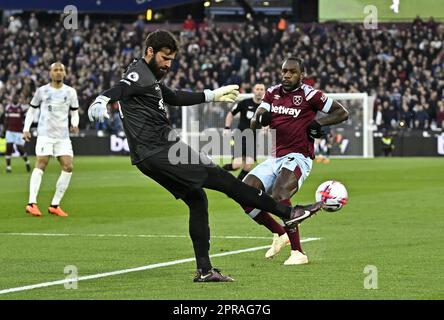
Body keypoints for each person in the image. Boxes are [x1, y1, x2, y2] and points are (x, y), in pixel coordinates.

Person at [88, 30, 323, 283]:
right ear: (149, 52)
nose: (168, 64)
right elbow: (121, 88)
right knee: (225, 181)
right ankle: (288, 214)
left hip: (151, 156)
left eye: (171, 60)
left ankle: (205, 271)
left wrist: (212, 94)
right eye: (165, 58)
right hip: (161, 150)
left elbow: (174, 96)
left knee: (198, 200)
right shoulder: (138, 74)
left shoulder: (150, 78)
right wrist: (101, 99)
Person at [245, 57, 349, 265]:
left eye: (292, 72)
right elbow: (255, 121)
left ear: (302, 75)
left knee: (280, 194)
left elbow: (341, 112)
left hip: (299, 157)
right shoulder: (272, 93)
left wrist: (319, 122)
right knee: (244, 192)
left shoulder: (311, 94)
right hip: (276, 157)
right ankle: (279, 233)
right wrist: (260, 119)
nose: (286, 75)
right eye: (284, 71)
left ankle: (298, 253)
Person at [23, 62, 79, 217]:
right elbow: (31, 110)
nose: (59, 72)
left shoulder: (71, 92)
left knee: (68, 167)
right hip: (45, 134)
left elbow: (74, 112)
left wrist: (75, 124)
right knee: (41, 163)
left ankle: (55, 204)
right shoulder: (42, 91)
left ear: (65, 73)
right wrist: (26, 129)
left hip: (62, 137)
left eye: (61, 69)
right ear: (50, 73)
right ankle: (31, 203)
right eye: (56, 70)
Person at [222, 83, 265, 180]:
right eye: (257, 89)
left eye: (261, 89)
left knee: (248, 165)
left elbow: (268, 121)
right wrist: (227, 127)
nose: (259, 91)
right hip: (240, 136)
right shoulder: (244, 103)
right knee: (237, 164)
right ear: (253, 90)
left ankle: (237, 186)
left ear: (264, 92)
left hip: (253, 138)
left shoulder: (265, 107)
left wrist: (265, 128)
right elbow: (230, 113)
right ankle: (219, 172)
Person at [2, 94, 31, 173]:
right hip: (9, 131)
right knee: (8, 148)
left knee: (19, 148)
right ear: (12, 99)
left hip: (18, 132)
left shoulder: (21, 108)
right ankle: (8, 167)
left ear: (18, 100)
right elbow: (6, 120)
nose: (14, 99)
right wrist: (3, 130)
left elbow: (27, 117)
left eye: (16, 98)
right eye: (13, 98)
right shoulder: (8, 107)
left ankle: (27, 162)